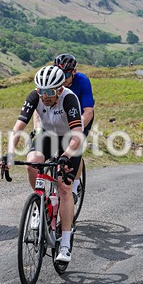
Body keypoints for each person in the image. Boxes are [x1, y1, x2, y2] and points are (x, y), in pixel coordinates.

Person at [0, 65, 84, 264]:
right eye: (40, 90)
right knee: (32, 163)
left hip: (70, 139)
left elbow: (78, 136)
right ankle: (40, 204)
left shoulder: (69, 99)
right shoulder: (35, 96)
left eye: (49, 92)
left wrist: (65, 156)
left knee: (64, 188)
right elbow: (18, 127)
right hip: (47, 135)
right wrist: (9, 154)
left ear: (59, 89)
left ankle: (64, 243)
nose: (44, 96)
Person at [53, 53, 94, 198]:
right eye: (59, 73)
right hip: (61, 116)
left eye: (66, 74)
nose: (62, 78)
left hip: (81, 117)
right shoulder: (53, 80)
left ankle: (75, 186)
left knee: (76, 147)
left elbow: (88, 111)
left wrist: (76, 128)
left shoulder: (82, 81)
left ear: (74, 72)